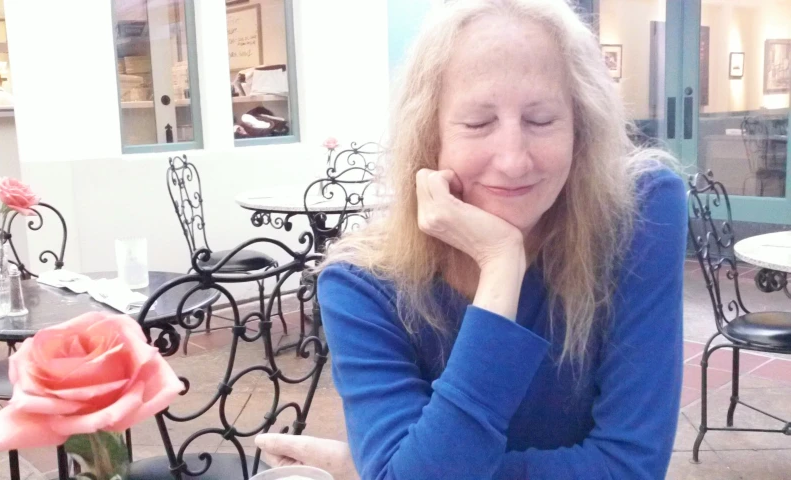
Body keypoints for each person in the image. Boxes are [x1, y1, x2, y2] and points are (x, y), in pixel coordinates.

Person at [258, 0, 686, 478]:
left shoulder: (640, 212)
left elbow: (631, 466)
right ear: (430, 133)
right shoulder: (360, 285)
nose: (513, 160)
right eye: (478, 123)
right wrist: (502, 264)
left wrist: (374, 468)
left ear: (580, 128)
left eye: (541, 120)